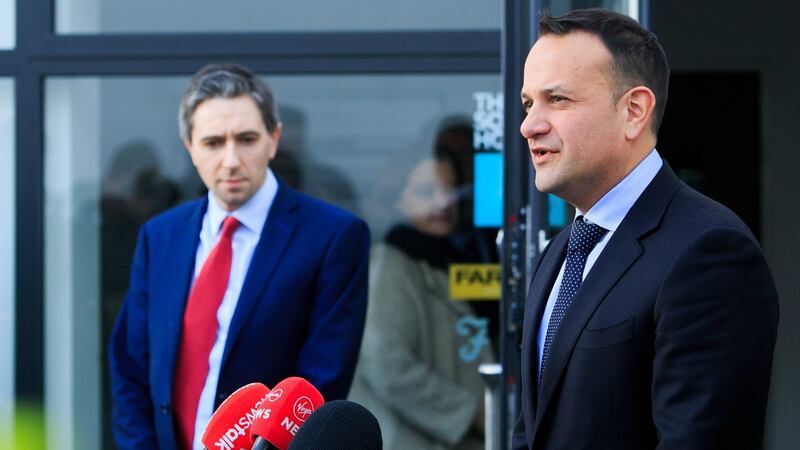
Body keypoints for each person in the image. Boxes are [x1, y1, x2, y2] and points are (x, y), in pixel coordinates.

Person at [513, 9, 778, 450]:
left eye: (557, 100)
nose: (529, 125)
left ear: (634, 110)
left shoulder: (709, 252)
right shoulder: (562, 251)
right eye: (528, 103)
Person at [108, 63, 370, 450]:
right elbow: (131, 368)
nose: (231, 160)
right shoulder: (160, 235)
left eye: (246, 139)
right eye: (213, 142)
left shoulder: (333, 236)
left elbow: (318, 387)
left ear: (274, 139)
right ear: (190, 147)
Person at [349, 155, 492, 450]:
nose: (444, 201)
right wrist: (470, 412)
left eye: (451, 190)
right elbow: (385, 363)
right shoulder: (390, 263)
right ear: (397, 201)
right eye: (428, 192)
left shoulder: (442, 258)